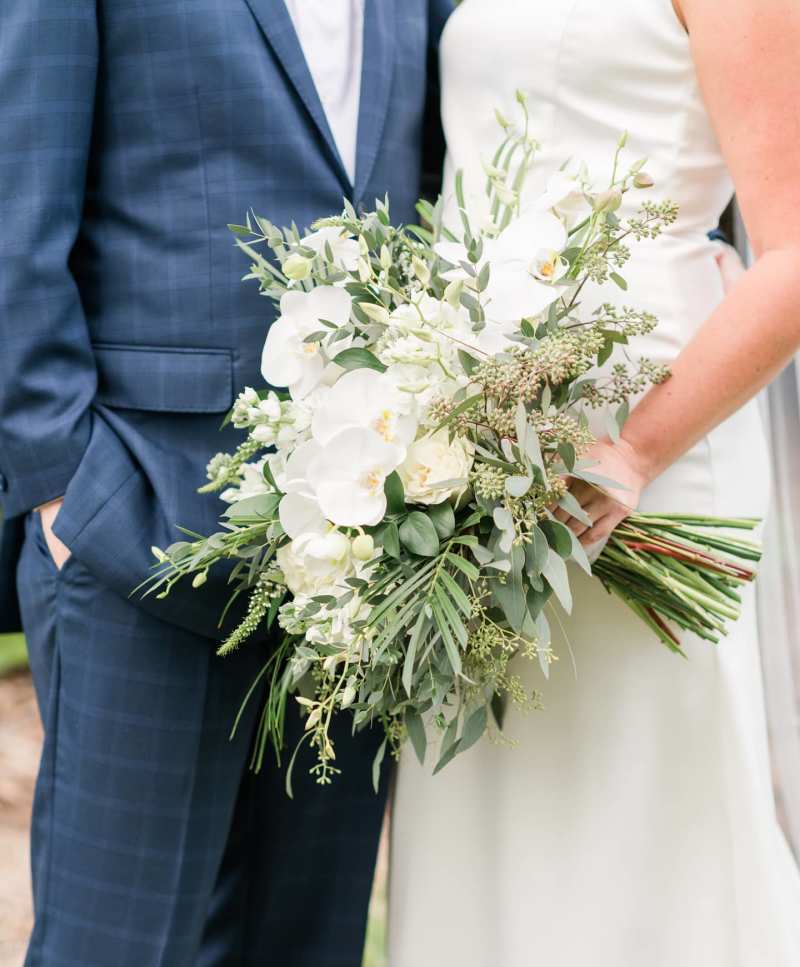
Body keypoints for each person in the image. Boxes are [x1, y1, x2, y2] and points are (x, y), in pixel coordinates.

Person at [0, 1, 452, 964]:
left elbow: (442, 174)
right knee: (116, 947)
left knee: (306, 940)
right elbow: (13, 194)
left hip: (365, 550)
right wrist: (61, 487)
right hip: (138, 522)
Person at [389, 0, 800, 964]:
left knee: (644, 828)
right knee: (488, 823)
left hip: (645, 438)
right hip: (466, 461)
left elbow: (792, 258)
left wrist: (637, 450)